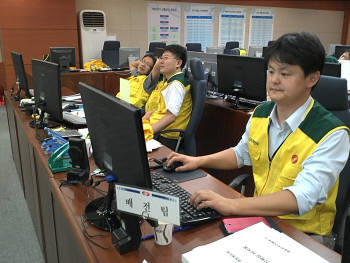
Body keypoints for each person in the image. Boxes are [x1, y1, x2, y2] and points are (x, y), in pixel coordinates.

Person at [167, 32, 350, 239]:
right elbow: (241, 154)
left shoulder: (331, 133)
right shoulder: (261, 113)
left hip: (304, 235)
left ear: (312, 78)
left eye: (285, 74)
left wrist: (231, 204)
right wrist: (197, 160)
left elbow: (302, 197)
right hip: (260, 220)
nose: (274, 80)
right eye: (271, 72)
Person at [142, 44, 192, 149]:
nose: (161, 61)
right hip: (159, 131)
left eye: (166, 58)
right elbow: (161, 110)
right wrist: (146, 118)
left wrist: (147, 132)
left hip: (167, 136)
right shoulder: (169, 81)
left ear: (178, 63)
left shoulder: (176, 85)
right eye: (160, 58)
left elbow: (170, 117)